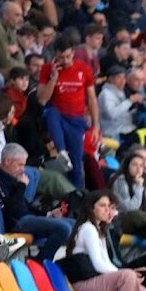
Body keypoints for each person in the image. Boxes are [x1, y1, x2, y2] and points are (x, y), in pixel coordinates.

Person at [59, 190, 146, 291]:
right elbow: (98, 264)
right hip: (84, 283)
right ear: (91, 208)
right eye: (102, 206)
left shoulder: (100, 231)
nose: (107, 209)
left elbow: (106, 261)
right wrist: (126, 272)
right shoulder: (88, 229)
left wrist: (126, 272)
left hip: (95, 279)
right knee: (127, 276)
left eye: (108, 206)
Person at [38, 35, 99, 188]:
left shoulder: (83, 69)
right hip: (57, 116)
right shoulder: (47, 69)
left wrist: (96, 126)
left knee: (77, 165)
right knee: (51, 112)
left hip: (76, 119)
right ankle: (61, 152)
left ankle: (76, 197)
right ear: (55, 55)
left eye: (68, 56)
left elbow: (92, 99)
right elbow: (42, 99)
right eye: (61, 57)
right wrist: (53, 78)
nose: (65, 60)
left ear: (73, 53)